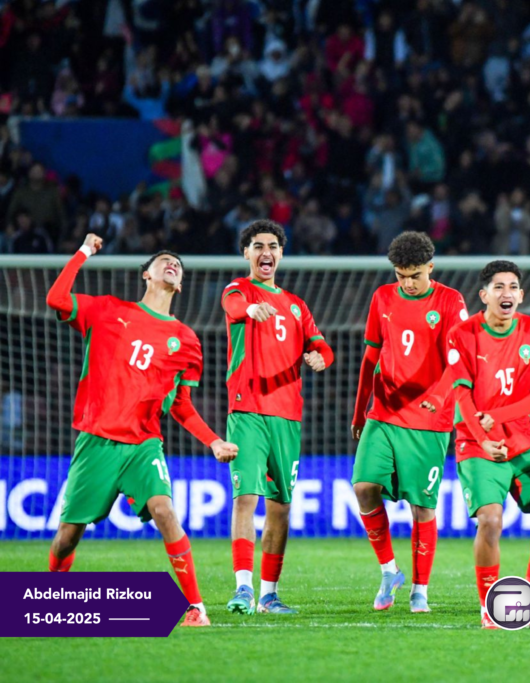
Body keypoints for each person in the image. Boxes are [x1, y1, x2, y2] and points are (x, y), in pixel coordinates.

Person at [46, 233, 238, 628]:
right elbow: (57, 299)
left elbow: (181, 405)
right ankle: (53, 598)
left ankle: (196, 608)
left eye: (177, 264)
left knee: (165, 510)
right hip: (97, 441)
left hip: (143, 444)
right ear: (146, 275)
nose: (172, 264)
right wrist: (83, 252)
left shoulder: (187, 341)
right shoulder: (108, 311)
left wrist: (214, 440)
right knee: (67, 537)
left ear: (179, 284)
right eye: (163, 260)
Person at [441, 260, 530, 628]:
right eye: (498, 287)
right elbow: (462, 397)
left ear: (521, 295)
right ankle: (489, 606)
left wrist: (497, 416)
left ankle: (529, 598)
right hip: (475, 443)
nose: (506, 293)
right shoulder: (463, 334)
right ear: (484, 295)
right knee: (491, 521)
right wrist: (484, 438)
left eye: (513, 287)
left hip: (522, 440)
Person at [351, 231, 468, 613]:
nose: (407, 283)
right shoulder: (382, 297)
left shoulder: (450, 301)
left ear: (430, 268)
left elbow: (459, 362)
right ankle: (389, 571)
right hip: (384, 413)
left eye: (415, 275)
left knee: (422, 507)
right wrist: (360, 408)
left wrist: (439, 397)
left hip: (429, 421)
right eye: (401, 275)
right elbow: (371, 357)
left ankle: (420, 590)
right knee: (364, 487)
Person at [223, 219, 334, 615]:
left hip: (287, 415)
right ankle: (243, 589)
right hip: (248, 409)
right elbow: (234, 306)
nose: (265, 252)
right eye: (257, 246)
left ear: (281, 253)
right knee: (246, 497)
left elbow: (321, 345)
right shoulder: (238, 289)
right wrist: (251, 308)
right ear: (247, 253)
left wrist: (321, 358)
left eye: (272, 246)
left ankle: (268, 596)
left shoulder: (296, 305)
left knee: (281, 507)